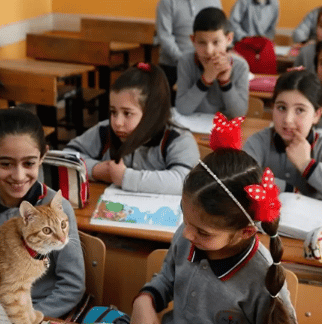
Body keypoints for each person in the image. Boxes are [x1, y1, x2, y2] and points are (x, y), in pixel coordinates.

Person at [131, 127, 304, 324]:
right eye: (185, 217)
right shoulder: (189, 233)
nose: (187, 234)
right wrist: (145, 299)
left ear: (245, 232)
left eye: (203, 232)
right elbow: (168, 278)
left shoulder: (261, 277)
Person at [0, 108, 86, 318]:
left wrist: (28, 319)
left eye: (29, 163)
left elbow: (72, 286)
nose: (19, 175)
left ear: (43, 157)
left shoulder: (59, 208)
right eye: (6, 164)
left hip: (41, 312)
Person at [65, 63, 200, 195]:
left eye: (127, 113)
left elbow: (185, 180)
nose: (117, 122)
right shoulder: (104, 131)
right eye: (113, 112)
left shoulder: (177, 139)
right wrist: (96, 170)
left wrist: (125, 177)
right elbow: (66, 156)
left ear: (151, 113)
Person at [243, 69, 322, 205]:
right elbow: (242, 178)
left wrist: (307, 165)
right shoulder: (257, 142)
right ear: (272, 108)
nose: (288, 119)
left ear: (316, 114)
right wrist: (289, 190)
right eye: (281, 108)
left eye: (300, 110)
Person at [175, 7, 249, 119]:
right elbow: (182, 109)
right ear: (192, 40)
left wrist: (225, 82)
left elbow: (239, 114)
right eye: (201, 42)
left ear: (229, 39)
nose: (209, 51)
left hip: (224, 130)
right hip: (194, 127)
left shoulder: (240, 66)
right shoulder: (185, 62)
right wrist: (206, 78)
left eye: (216, 42)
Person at [155, 0, 223, 90]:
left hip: (206, 66)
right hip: (173, 67)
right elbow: (164, 37)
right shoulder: (167, 2)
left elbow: (219, 32)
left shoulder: (214, 1)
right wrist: (186, 62)